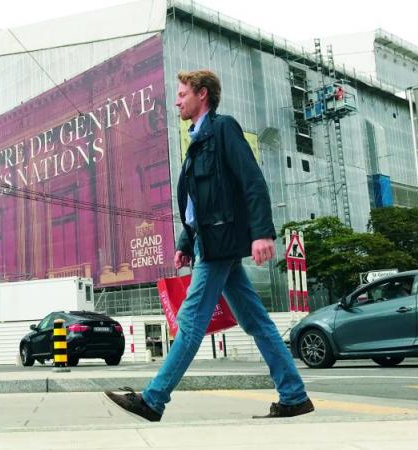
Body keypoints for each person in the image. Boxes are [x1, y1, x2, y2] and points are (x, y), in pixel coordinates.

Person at [105, 70, 314, 421]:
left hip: (220, 245)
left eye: (183, 94)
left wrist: (263, 232)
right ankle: (294, 395)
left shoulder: (222, 129)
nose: (177, 100)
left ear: (202, 95)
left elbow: (252, 180)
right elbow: (198, 205)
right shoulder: (197, 143)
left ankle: (154, 399)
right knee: (257, 322)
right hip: (210, 242)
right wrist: (187, 240)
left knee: (189, 322)